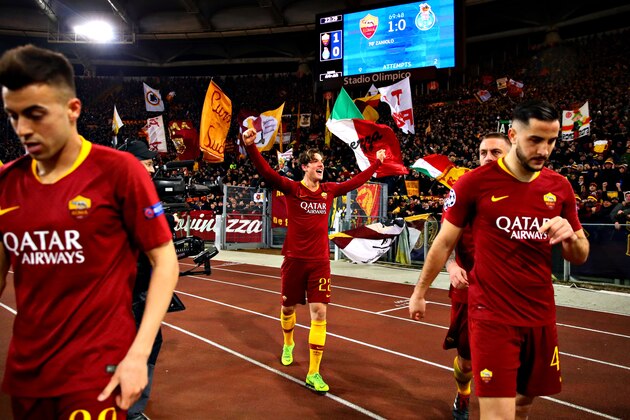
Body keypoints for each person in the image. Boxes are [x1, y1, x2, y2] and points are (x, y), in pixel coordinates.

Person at [0, 44, 179, 419]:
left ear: (72, 109)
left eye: (35, 114)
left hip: (95, 370)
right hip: (26, 373)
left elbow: (165, 261)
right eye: (13, 116)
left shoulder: (119, 172)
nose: (23, 129)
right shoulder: (6, 184)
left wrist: (138, 353)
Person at [409, 100, 589, 419]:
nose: (544, 150)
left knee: (523, 405)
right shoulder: (473, 184)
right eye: (535, 139)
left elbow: (580, 255)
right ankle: (462, 395)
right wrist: (419, 292)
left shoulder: (559, 187)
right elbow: (443, 242)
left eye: (551, 141)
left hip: (540, 315)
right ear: (515, 135)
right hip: (490, 314)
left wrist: (571, 236)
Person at [242, 127, 385, 394]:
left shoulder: (329, 190)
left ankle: (313, 372)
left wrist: (376, 163)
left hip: (320, 261)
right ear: (305, 166)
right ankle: (288, 343)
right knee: (288, 309)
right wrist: (251, 147)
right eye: (317, 161)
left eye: (323, 161)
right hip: (294, 259)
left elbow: (355, 182)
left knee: (319, 314)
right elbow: (267, 173)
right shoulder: (292, 188)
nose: (322, 165)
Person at [443, 132, 511, 420]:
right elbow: (444, 240)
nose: (487, 158)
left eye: (495, 152)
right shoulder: (463, 190)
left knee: (509, 362)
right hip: (468, 289)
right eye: (483, 152)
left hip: (509, 293)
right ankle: (463, 394)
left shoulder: (532, 191)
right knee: (467, 362)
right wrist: (450, 266)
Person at [123, 139, 163, 420]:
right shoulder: (121, 194)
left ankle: (131, 407)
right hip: (125, 291)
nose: (152, 168)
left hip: (141, 288)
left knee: (150, 342)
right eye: (147, 162)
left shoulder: (147, 195)